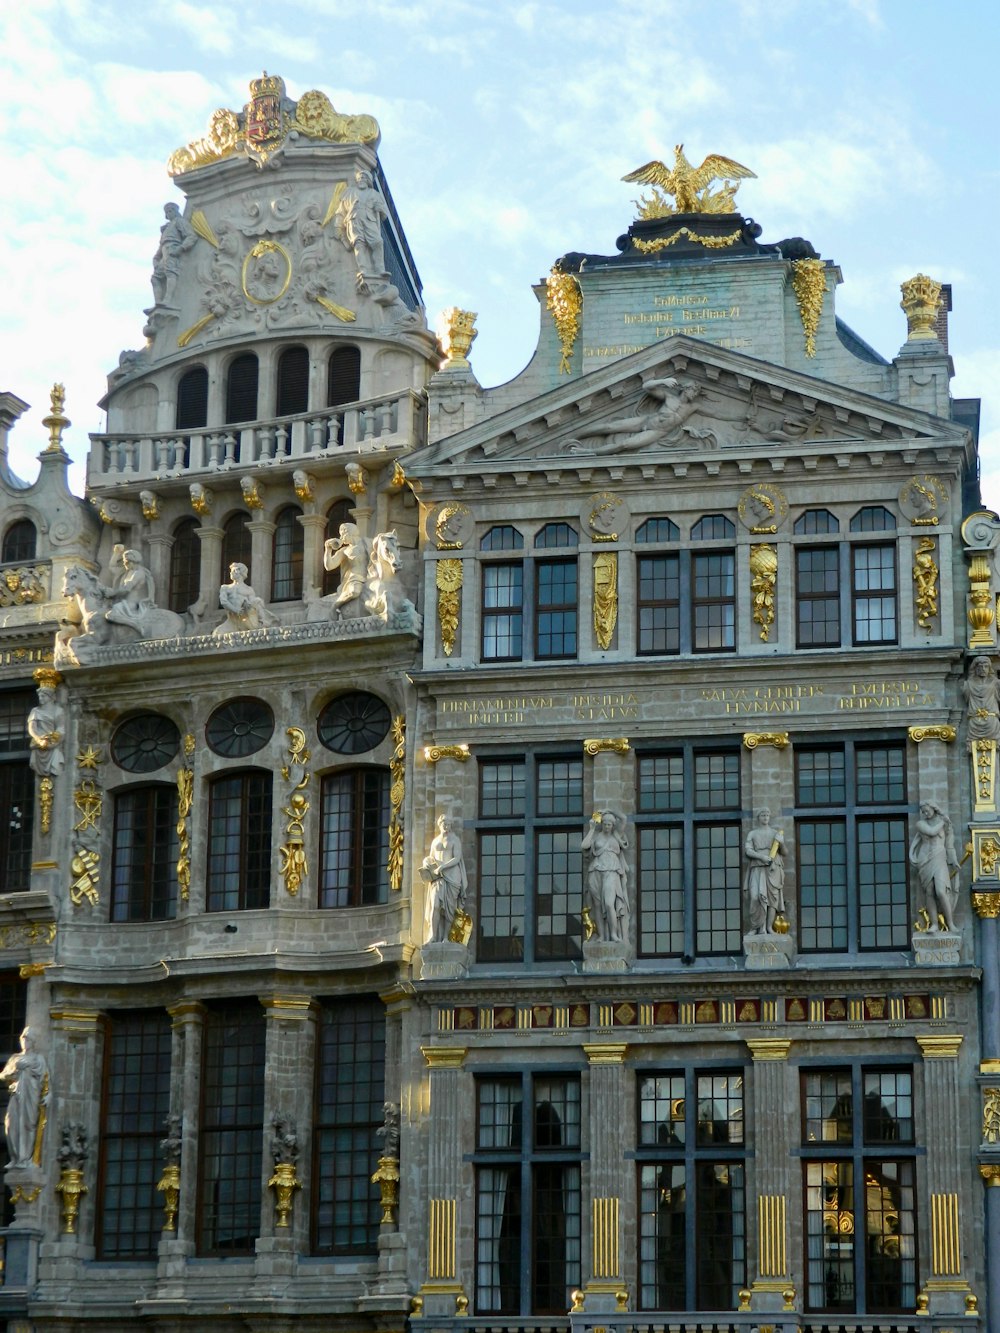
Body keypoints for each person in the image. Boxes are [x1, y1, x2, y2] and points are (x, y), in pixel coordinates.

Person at [571, 377, 711, 454]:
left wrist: (734, 419)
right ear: (686, 389)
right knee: (609, 426)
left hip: (657, 432)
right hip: (646, 421)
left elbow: (717, 413)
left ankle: (588, 451)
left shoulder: (693, 407)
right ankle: (574, 436)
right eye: (694, 390)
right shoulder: (669, 397)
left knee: (625, 445)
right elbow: (646, 387)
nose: (695, 394)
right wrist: (662, 381)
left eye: (697, 392)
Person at [1, 1027, 49, 1169]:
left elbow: (46, 1080)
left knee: (28, 1125)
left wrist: (48, 1095)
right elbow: (2, 1075)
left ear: (33, 1042)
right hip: (17, 1095)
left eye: (28, 1038)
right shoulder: (15, 1058)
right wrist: (15, 1070)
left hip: (31, 1095)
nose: (24, 1041)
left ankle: (25, 1159)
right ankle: (16, 1158)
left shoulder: (38, 1059)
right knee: (11, 1124)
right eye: (23, 1038)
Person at [909, 801, 960, 933]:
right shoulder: (921, 824)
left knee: (941, 892)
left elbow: (949, 844)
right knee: (930, 891)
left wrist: (953, 860)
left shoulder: (945, 824)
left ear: (933, 808)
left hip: (939, 857)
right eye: (923, 812)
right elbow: (931, 832)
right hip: (925, 859)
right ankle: (934, 924)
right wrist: (944, 821)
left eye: (927, 810)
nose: (925, 814)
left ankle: (950, 923)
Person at [582, 811, 630, 942]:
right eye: (605, 824)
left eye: (609, 824)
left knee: (609, 904)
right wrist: (592, 829)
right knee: (597, 905)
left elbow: (624, 817)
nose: (607, 827)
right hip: (595, 871)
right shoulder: (596, 836)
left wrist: (609, 809)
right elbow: (584, 845)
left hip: (612, 871)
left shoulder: (616, 835)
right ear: (601, 824)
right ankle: (602, 935)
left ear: (613, 825)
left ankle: (613, 934)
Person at [422, 815, 468, 943]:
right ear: (440, 824)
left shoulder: (455, 840)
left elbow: (457, 858)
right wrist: (426, 862)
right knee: (435, 906)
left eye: (449, 825)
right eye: (444, 824)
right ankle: (433, 935)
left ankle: (446, 937)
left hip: (452, 876)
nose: (447, 827)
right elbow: (431, 857)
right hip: (438, 877)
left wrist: (443, 867)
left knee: (449, 908)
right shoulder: (435, 841)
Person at [333, 169, 388, 275]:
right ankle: (363, 269)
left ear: (368, 180)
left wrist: (379, 209)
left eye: (363, 178)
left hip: (369, 221)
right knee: (359, 243)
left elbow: (384, 215)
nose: (361, 180)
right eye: (359, 178)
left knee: (378, 242)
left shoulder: (374, 194)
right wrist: (338, 226)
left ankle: (379, 269)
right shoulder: (349, 193)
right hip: (354, 220)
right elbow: (341, 211)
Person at [743, 808, 786, 936]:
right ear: (759, 817)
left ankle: (768, 928)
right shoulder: (752, 833)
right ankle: (756, 927)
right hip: (757, 867)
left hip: (773, 868)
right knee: (756, 897)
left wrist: (782, 843)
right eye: (763, 815)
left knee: (773, 899)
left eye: (767, 814)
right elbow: (748, 851)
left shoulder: (775, 833)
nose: (765, 817)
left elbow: (784, 852)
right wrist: (761, 857)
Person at [150, 202, 197, 306]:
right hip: (163, 250)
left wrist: (180, 249)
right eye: (167, 212)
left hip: (172, 249)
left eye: (171, 211)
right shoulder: (167, 228)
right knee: (155, 278)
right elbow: (161, 247)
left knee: (170, 273)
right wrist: (155, 260)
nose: (169, 213)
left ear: (176, 212)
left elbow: (191, 236)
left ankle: (168, 300)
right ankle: (158, 303)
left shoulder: (179, 221)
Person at [104, 549, 157, 633]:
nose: (125, 564)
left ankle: (135, 626)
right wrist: (117, 553)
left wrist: (112, 593)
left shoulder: (138, 573)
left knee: (112, 612)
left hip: (132, 604)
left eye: (126, 562)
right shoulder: (128, 572)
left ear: (132, 561)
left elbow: (126, 589)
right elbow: (112, 567)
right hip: (124, 602)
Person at [215, 562, 275, 634]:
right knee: (218, 633)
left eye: (233, 571)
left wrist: (249, 605)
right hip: (232, 621)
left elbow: (254, 604)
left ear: (240, 572)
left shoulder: (248, 589)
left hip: (245, 620)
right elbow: (224, 602)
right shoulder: (225, 588)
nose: (231, 573)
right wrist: (236, 610)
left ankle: (262, 622)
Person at [323, 523, 369, 614]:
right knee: (354, 591)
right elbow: (329, 566)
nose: (341, 537)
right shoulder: (344, 551)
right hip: (354, 579)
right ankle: (335, 606)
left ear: (349, 533)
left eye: (342, 534)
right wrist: (328, 549)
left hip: (370, 576)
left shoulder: (367, 543)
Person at [27, 683, 66, 777]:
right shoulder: (35, 711)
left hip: (52, 742)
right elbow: (31, 728)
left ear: (50, 697)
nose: (40, 698)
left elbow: (61, 728)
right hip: (38, 744)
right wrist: (38, 739)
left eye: (43, 696)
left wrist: (53, 741)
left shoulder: (58, 711)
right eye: (39, 696)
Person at [963, 656, 1000, 742]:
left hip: (992, 722)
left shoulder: (996, 684)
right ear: (975, 668)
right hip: (974, 723)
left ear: (989, 668)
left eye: (986, 666)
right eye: (980, 666)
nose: (983, 669)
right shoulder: (968, 685)